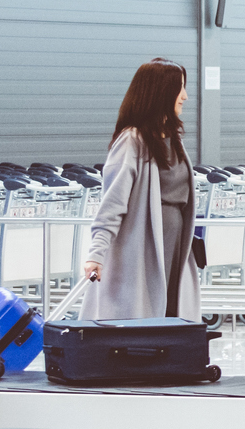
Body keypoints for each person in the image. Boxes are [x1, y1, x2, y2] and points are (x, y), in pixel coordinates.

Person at [82, 58, 200, 321]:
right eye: (179, 88)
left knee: (170, 318)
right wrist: (96, 254)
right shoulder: (132, 141)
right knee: (143, 322)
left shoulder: (172, 139)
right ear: (160, 92)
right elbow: (112, 204)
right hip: (142, 254)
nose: (185, 96)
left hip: (174, 249)